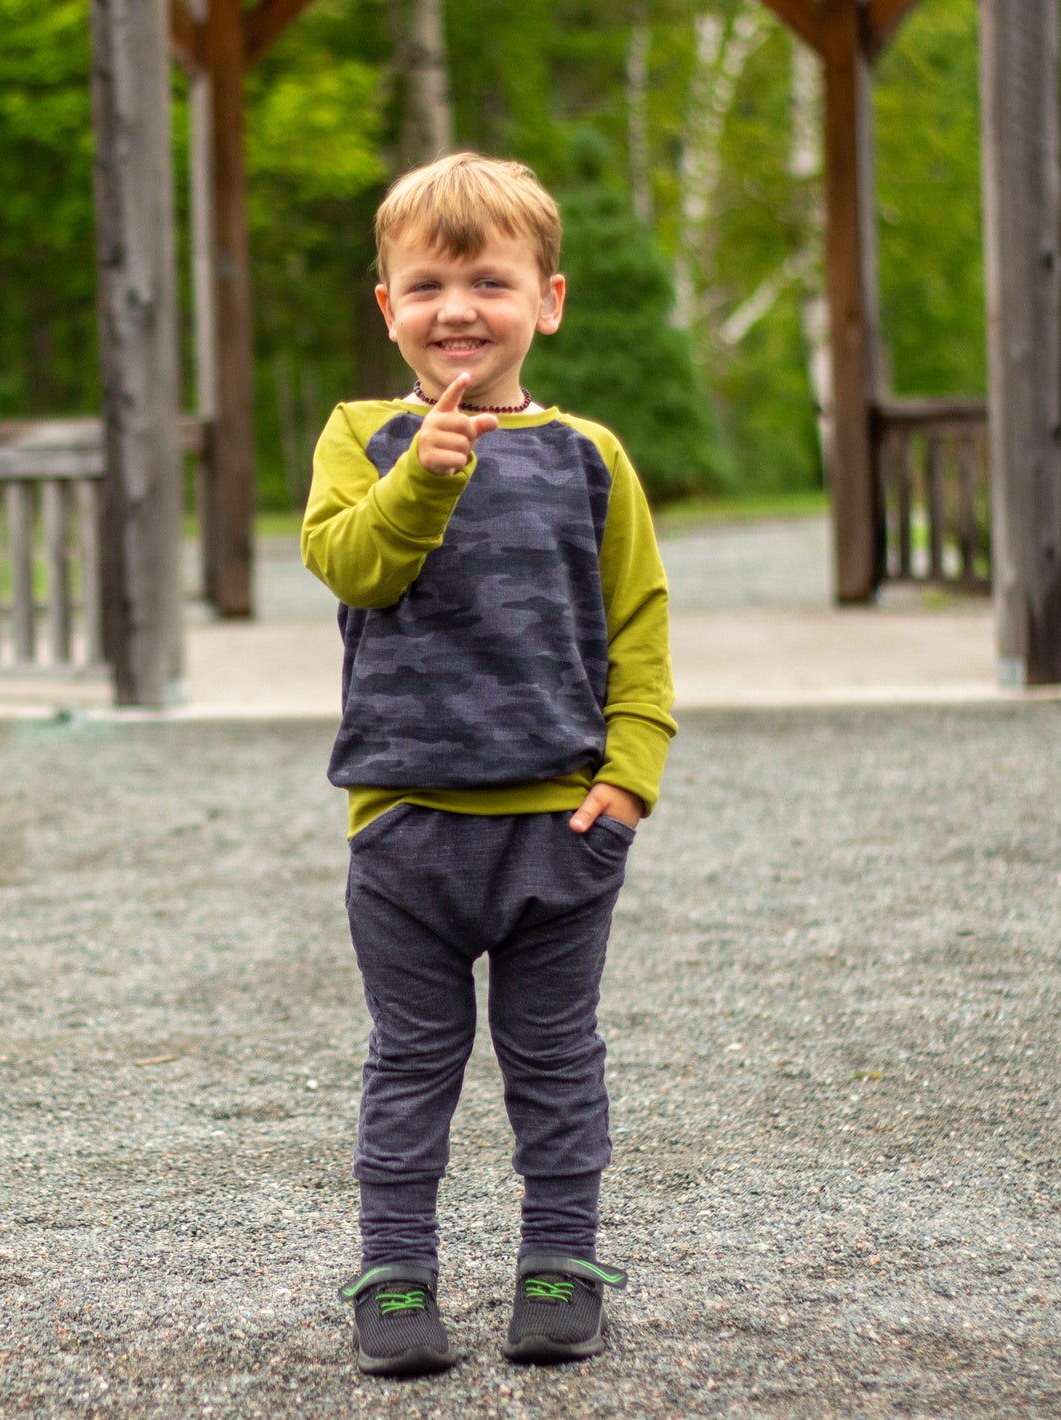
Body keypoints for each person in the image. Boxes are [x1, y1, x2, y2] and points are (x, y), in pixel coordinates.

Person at [300, 151, 677, 1377]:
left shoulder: (589, 455)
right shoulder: (362, 438)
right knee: (410, 1063)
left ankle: (559, 1261)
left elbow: (637, 625)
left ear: (545, 300)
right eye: (425, 285)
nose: (455, 308)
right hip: (404, 823)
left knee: (555, 1060)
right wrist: (422, 475)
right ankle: (395, 1274)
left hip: (557, 825)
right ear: (386, 308)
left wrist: (625, 778)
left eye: (487, 280)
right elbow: (356, 567)